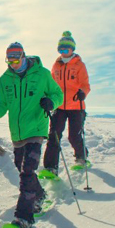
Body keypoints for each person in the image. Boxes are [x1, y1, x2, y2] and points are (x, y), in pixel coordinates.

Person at [0, 42, 64, 228]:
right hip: (17, 133)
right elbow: (1, 105)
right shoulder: (5, 79)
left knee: (28, 171)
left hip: (36, 128)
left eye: (16, 59)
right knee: (21, 167)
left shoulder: (41, 74)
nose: (13, 63)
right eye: (9, 60)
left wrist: (52, 102)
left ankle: (24, 217)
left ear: (23, 56)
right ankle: (39, 194)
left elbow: (58, 93)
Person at [42, 31, 91, 177]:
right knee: (54, 135)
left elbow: (85, 84)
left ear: (72, 49)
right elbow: (51, 84)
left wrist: (82, 92)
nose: (63, 52)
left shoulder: (79, 65)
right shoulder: (56, 66)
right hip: (59, 106)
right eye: (60, 49)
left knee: (74, 136)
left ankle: (81, 157)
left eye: (66, 49)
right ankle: (51, 167)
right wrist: (47, 98)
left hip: (76, 106)